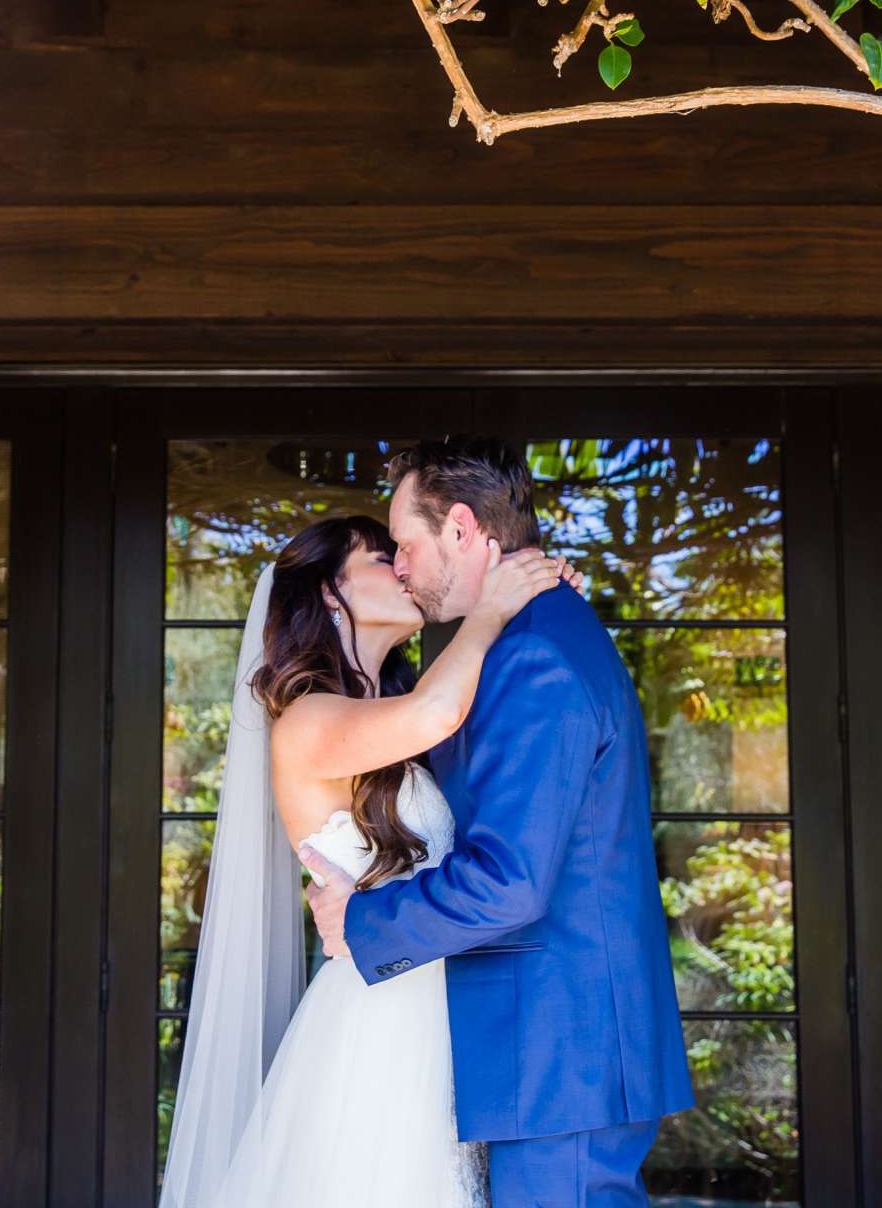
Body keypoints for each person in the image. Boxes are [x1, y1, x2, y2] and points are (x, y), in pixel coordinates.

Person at [302, 437, 693, 1208]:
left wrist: (364, 919)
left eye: (405, 545)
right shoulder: (523, 642)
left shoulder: (535, 656)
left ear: (459, 528)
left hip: (563, 1049)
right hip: (547, 1049)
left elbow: (509, 881)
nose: (401, 565)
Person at [158, 509, 577, 1208]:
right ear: (329, 593)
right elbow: (437, 712)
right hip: (380, 1025)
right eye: (384, 559)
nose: (405, 569)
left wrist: (540, 599)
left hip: (440, 1010)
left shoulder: (397, 715)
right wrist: (495, 605)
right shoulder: (306, 718)